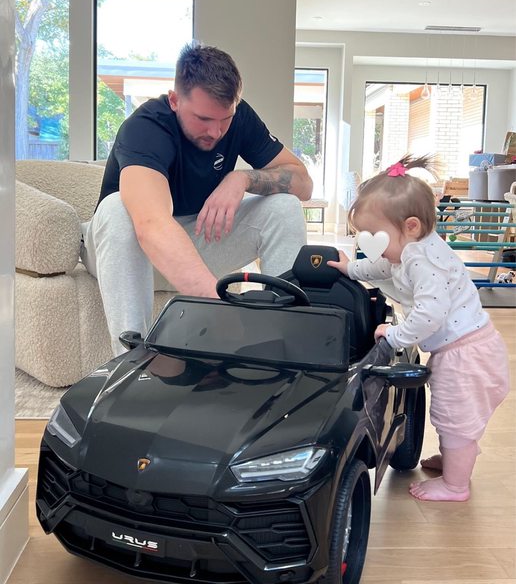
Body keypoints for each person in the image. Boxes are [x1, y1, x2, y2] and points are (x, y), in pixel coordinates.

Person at [82, 41, 313, 355]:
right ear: (175, 100)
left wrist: (242, 178)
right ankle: (131, 360)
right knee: (117, 209)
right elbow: (150, 225)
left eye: (225, 119)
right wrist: (222, 311)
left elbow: (303, 183)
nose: (216, 132)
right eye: (203, 119)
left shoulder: (239, 117)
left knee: (284, 206)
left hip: (196, 238)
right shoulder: (145, 127)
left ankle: (284, 350)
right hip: (124, 248)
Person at [328, 154, 510, 502]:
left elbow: (430, 315)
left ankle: (456, 484)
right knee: (451, 416)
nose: (370, 243)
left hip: (466, 356)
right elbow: (384, 267)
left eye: (374, 235)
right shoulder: (411, 248)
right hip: (466, 349)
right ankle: (456, 460)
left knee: (455, 420)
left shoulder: (422, 260)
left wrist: (394, 334)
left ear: (410, 226)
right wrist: (352, 270)